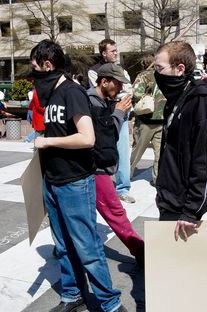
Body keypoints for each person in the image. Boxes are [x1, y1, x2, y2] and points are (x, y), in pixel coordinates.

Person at [32, 40, 127, 312]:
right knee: (63, 246)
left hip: (75, 182)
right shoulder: (51, 94)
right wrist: (46, 138)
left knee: (87, 247)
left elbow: (87, 137)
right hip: (53, 179)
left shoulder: (72, 92)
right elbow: (62, 132)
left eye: (36, 67)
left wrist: (48, 142)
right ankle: (72, 295)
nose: (35, 74)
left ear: (48, 65)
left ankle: (110, 303)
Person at [154, 41, 207, 241]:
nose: (156, 73)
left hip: (183, 206)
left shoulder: (202, 101)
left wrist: (193, 211)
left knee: (178, 268)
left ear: (180, 69)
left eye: (160, 68)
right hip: (169, 197)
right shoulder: (178, 97)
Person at [87, 63, 144, 267]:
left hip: (97, 167)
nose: (120, 89)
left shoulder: (101, 101)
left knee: (87, 216)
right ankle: (141, 251)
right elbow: (105, 137)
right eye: (117, 84)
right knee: (115, 212)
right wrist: (119, 112)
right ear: (104, 82)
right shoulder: (91, 102)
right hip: (94, 169)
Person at [88, 38, 135, 203]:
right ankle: (104, 184)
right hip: (106, 114)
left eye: (116, 50)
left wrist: (121, 104)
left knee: (122, 151)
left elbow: (129, 90)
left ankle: (123, 187)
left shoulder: (121, 70)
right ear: (103, 53)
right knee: (104, 148)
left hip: (121, 112)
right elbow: (102, 94)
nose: (116, 53)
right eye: (112, 51)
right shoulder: (95, 72)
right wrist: (118, 104)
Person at [130, 55, 166, 186]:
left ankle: (128, 174)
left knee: (137, 150)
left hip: (146, 119)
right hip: (161, 118)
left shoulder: (143, 76)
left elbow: (137, 94)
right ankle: (157, 179)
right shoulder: (164, 75)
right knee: (159, 153)